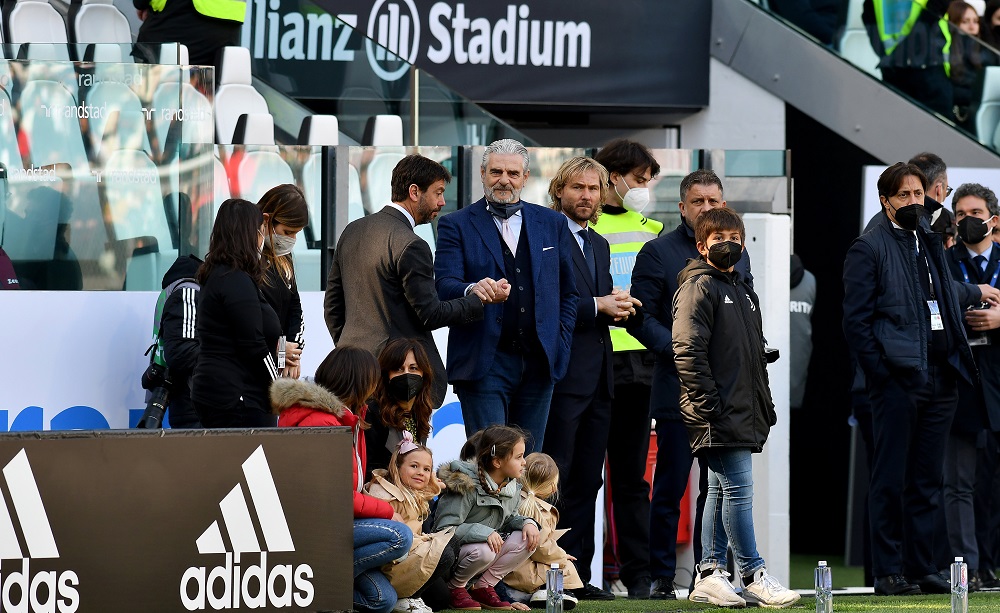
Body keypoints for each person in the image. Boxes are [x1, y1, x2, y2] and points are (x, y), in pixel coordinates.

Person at [843, 162, 984, 596]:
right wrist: (882, 373)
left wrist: (975, 293)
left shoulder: (928, 240)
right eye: (902, 195)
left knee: (927, 480)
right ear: (885, 200)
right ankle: (888, 571)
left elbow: (944, 293)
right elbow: (856, 323)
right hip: (897, 380)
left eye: (917, 194)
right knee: (889, 478)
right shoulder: (867, 248)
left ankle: (922, 567)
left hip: (940, 376)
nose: (912, 202)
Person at [629, 169, 752, 600]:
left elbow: (746, 314)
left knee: (718, 490)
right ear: (682, 208)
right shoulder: (657, 252)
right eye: (698, 202)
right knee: (671, 485)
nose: (707, 209)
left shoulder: (737, 253)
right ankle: (662, 575)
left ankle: (712, 573)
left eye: (714, 201)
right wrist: (681, 351)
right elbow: (639, 318)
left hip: (730, 392)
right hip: (678, 389)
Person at [673, 207, 799, 609]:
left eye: (734, 235)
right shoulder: (699, 287)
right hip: (717, 411)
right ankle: (753, 573)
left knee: (721, 493)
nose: (728, 243)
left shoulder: (742, 288)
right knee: (739, 491)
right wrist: (710, 405)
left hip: (739, 409)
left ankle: (709, 573)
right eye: (718, 236)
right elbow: (687, 351)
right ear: (700, 243)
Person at [434, 139, 579, 452]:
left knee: (528, 467)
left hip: (540, 363)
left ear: (525, 178)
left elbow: (568, 292)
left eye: (513, 173)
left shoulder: (552, 223)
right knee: (492, 463)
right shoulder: (455, 225)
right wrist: (471, 290)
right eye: (496, 171)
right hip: (484, 362)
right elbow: (444, 284)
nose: (504, 179)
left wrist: (560, 343)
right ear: (483, 174)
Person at [542, 156, 638, 602]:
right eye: (577, 187)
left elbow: (593, 303)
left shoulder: (599, 244)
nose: (586, 195)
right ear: (559, 190)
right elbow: (550, 306)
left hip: (602, 377)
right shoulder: (544, 237)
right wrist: (598, 306)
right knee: (553, 478)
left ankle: (577, 576)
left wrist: (614, 305)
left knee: (587, 481)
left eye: (593, 188)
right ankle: (548, 577)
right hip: (561, 377)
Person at [325, 154, 493, 410]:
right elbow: (430, 314)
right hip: (396, 380)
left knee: (362, 451)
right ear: (414, 191)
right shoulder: (412, 244)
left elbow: (333, 309)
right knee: (403, 450)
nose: (442, 202)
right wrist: (476, 301)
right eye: (437, 193)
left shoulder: (352, 230)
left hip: (352, 376)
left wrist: (353, 349)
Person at [272, 346, 413, 613]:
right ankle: (319, 586)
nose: (376, 386)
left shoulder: (349, 417)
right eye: (374, 378)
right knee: (399, 535)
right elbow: (334, 496)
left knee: (383, 600)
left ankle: (317, 589)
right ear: (359, 380)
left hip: (335, 523)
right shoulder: (320, 422)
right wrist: (387, 510)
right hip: (312, 528)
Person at [591, 139, 663, 600]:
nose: (642, 189)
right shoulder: (578, 222)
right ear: (613, 176)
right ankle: (575, 572)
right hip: (590, 359)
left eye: (647, 182)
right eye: (638, 180)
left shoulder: (651, 227)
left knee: (632, 478)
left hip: (638, 364)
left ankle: (639, 576)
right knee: (580, 476)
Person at [944, 183, 1000, 591]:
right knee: (960, 482)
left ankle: (992, 560)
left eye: (975, 212)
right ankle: (970, 567)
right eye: (960, 214)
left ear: (993, 219)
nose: (968, 220)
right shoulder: (943, 262)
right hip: (960, 381)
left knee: (993, 483)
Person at [191, 198, 280, 428]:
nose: (263, 240)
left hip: (224, 394)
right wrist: (280, 387)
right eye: (260, 232)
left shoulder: (221, 276)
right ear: (247, 234)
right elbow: (253, 344)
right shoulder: (235, 280)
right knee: (252, 465)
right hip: (239, 399)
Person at [434, 425, 540, 611]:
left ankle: (482, 587)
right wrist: (483, 532)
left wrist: (528, 522)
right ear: (497, 462)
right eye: (518, 457)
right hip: (455, 558)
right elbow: (444, 529)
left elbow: (509, 520)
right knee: (485, 550)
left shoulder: (512, 486)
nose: (524, 462)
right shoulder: (465, 484)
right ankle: (455, 588)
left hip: (483, 553)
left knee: (528, 538)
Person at [364, 434, 460, 613]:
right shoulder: (384, 494)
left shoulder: (417, 494)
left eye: (426, 469)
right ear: (397, 466)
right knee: (445, 552)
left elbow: (431, 489)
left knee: (441, 598)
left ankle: (410, 595)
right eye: (414, 466)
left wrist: (435, 484)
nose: (420, 473)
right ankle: (406, 597)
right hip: (391, 564)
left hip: (411, 555)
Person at [504, 453, 583, 610]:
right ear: (553, 487)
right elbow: (540, 548)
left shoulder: (510, 498)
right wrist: (561, 556)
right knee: (566, 566)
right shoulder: (539, 511)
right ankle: (544, 590)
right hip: (524, 575)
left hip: (504, 572)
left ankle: (539, 591)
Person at [863, 0, 953, 117]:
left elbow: (868, 14)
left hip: (895, 67)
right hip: (927, 67)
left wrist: (888, 57)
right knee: (939, 130)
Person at [366, 338, 436, 478]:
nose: (406, 374)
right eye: (398, 369)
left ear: (424, 374)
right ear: (386, 376)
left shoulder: (419, 413)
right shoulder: (372, 412)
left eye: (413, 368)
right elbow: (369, 469)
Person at [258, 184, 307, 379]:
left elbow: (295, 308)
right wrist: (279, 351)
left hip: (280, 365)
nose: (292, 240)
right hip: (256, 369)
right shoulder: (247, 259)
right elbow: (251, 321)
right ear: (267, 221)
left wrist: (292, 356)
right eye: (287, 232)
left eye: (297, 233)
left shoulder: (284, 256)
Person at [156, 254, 203, 428]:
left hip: (187, 399)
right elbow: (181, 352)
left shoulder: (173, 290)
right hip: (192, 400)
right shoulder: (188, 291)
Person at [132, 0, 243, 69]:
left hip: (184, 16)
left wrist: (141, 4)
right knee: (205, 90)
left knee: (156, 90)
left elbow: (140, 5)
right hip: (229, 23)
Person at [947, 1, 993, 131]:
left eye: (975, 21)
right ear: (954, 23)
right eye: (965, 21)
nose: (972, 26)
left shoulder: (983, 49)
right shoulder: (950, 48)